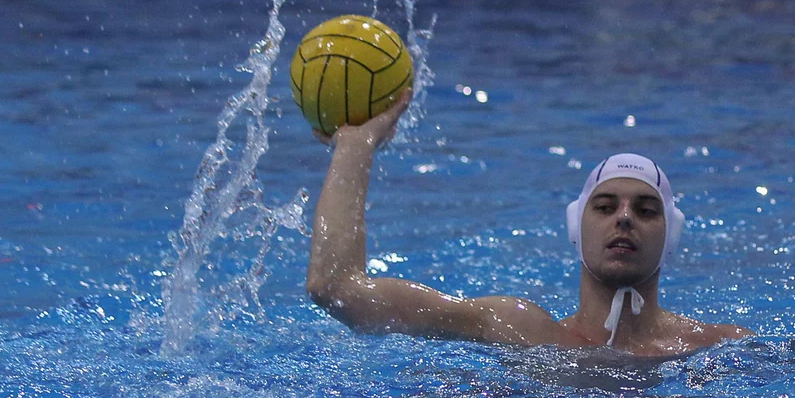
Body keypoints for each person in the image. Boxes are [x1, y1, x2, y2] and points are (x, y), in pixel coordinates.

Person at [306, 90, 752, 358]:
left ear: (671, 236)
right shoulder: (518, 331)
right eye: (604, 206)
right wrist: (356, 146)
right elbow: (336, 287)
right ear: (576, 229)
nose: (623, 218)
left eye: (645, 210)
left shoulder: (717, 347)